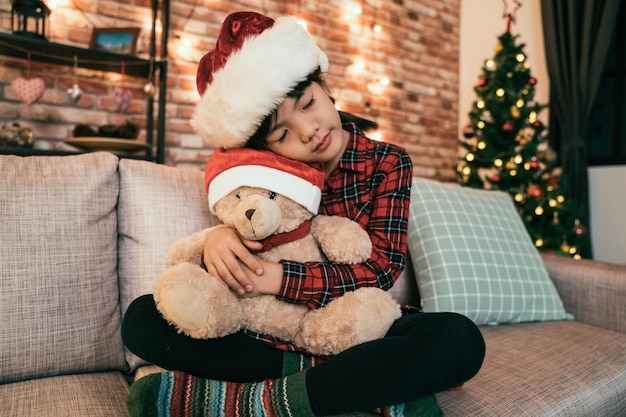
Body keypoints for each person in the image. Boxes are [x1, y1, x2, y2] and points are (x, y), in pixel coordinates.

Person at [122, 11, 485, 417]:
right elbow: (247, 224)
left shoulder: (388, 161)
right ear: (268, 149)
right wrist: (216, 239)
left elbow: (381, 269)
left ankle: (258, 402)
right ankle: (350, 384)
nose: (309, 131)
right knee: (142, 319)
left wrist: (278, 279)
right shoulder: (262, 175)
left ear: (325, 89)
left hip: (356, 327)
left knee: (460, 339)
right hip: (267, 332)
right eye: (283, 134)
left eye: (309, 103)